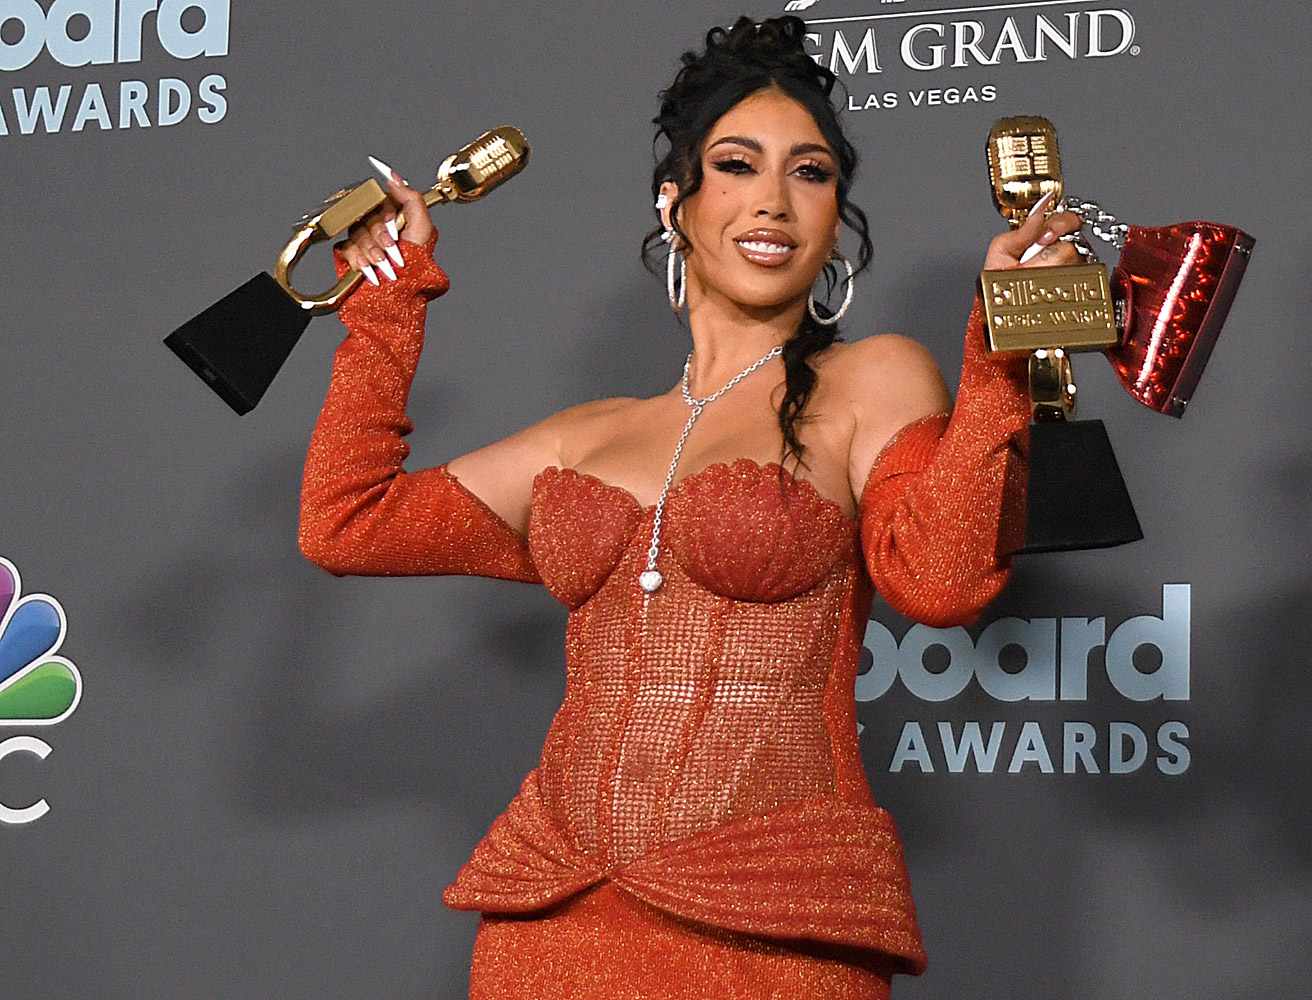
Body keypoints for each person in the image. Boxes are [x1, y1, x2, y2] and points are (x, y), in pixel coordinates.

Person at [298, 14, 1084, 1000]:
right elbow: (345, 520)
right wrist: (386, 303)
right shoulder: (582, 437)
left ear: (837, 214)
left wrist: (1004, 362)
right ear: (676, 202)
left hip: (776, 928)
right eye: (738, 165)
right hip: (552, 923)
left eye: (809, 172)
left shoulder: (873, 379)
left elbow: (941, 579)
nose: (775, 201)